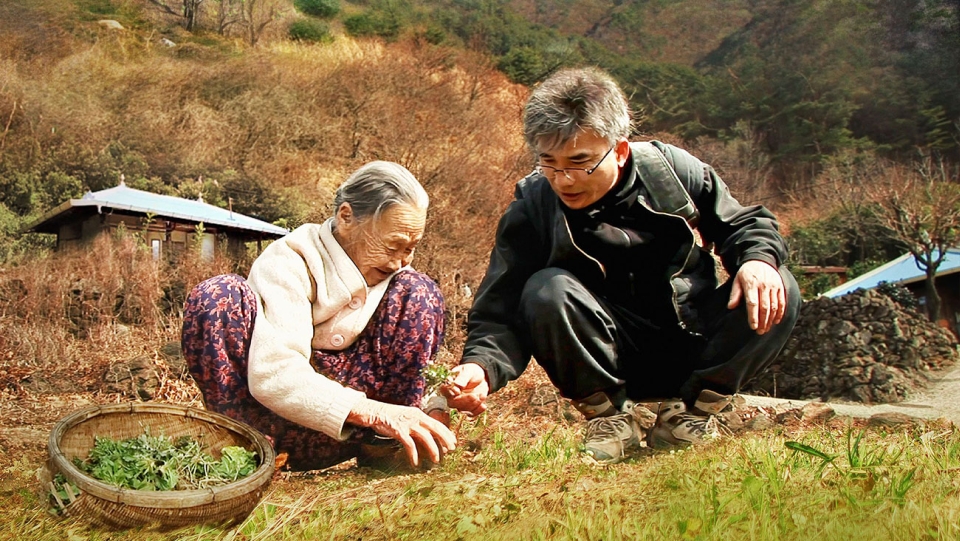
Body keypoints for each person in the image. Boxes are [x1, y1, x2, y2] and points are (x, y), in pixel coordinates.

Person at [443, 67, 801, 463]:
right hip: (604, 354)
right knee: (546, 288)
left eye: (580, 162)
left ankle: (691, 415)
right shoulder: (535, 205)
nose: (565, 180)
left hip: (691, 338)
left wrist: (756, 260)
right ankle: (609, 419)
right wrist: (481, 366)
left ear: (619, 150)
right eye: (550, 163)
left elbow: (743, 223)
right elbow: (502, 307)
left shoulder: (669, 173)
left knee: (777, 281)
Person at [181, 161, 456, 471]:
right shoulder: (289, 261)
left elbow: (416, 367)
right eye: (393, 246)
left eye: (411, 247)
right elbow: (274, 373)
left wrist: (437, 403)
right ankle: (243, 456)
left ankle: (387, 450)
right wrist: (373, 412)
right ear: (346, 217)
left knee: (421, 291)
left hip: (360, 431)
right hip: (274, 424)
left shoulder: (401, 280)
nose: (399, 262)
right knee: (217, 297)